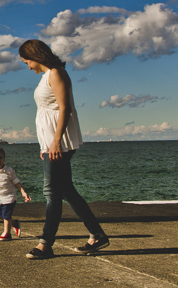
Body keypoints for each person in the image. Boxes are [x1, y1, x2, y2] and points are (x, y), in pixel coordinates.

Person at [18, 39, 110, 260]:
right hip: (51, 143)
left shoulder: (56, 73)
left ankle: (45, 243)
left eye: (26, 61)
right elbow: (46, 113)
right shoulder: (45, 77)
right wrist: (45, 144)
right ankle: (97, 235)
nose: (27, 66)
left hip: (59, 142)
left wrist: (56, 141)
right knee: (66, 190)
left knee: (52, 192)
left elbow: (65, 108)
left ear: (35, 57)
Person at [0, 144, 30, 241]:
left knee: (6, 216)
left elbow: (17, 183)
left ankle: (7, 233)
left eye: (0, 157)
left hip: (9, 197)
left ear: (4, 158)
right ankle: (14, 223)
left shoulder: (9, 171)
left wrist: (23, 192)